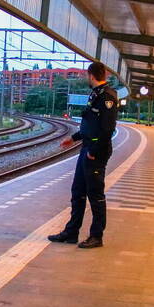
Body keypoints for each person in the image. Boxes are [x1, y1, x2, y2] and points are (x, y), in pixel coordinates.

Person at [48, 62, 119, 249]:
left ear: (91, 75)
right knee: (78, 191)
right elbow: (90, 126)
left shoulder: (107, 97)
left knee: (95, 195)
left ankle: (96, 236)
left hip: (96, 152)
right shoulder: (96, 94)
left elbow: (107, 129)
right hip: (87, 148)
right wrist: (73, 138)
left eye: (87, 75)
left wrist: (94, 152)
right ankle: (71, 232)